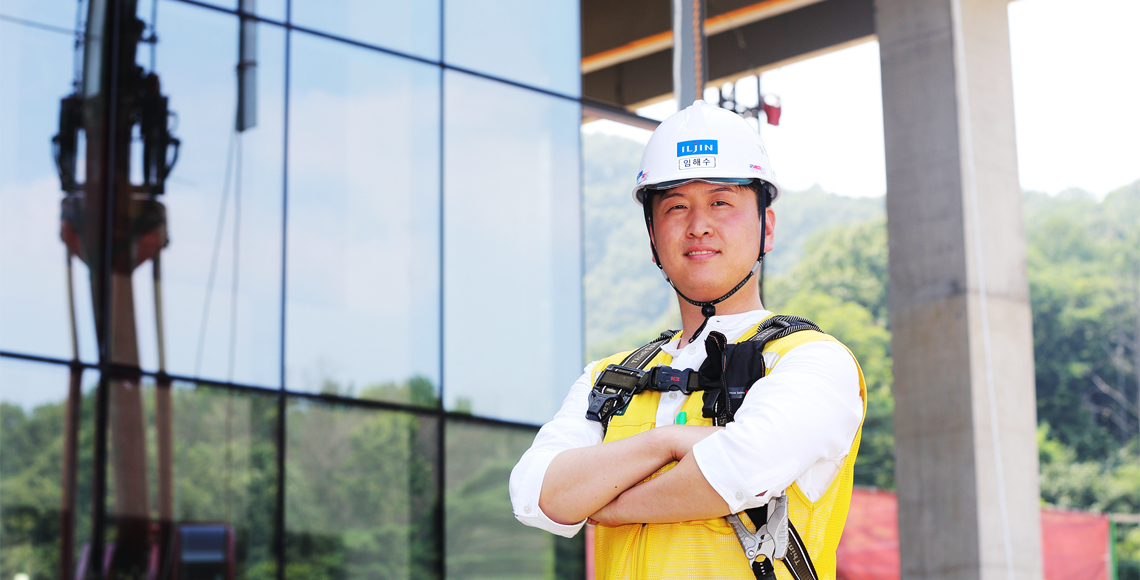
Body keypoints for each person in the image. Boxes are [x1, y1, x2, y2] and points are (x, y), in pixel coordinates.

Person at [509, 100, 866, 580]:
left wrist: (605, 505)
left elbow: (739, 471)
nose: (698, 224)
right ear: (652, 236)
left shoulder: (814, 362)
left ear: (767, 228)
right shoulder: (611, 378)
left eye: (722, 202)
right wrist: (667, 443)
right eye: (676, 206)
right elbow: (537, 494)